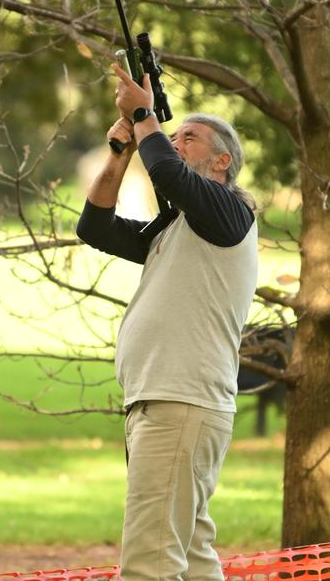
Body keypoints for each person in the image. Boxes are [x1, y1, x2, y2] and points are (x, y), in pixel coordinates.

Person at [75, 63, 258, 580]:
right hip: (170, 403)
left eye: (190, 137)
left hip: (181, 403)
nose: (176, 142)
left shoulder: (228, 212)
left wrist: (144, 114)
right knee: (193, 559)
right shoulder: (175, 228)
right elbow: (95, 226)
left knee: (150, 564)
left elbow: (169, 174)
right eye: (172, 135)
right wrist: (121, 151)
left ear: (223, 161)